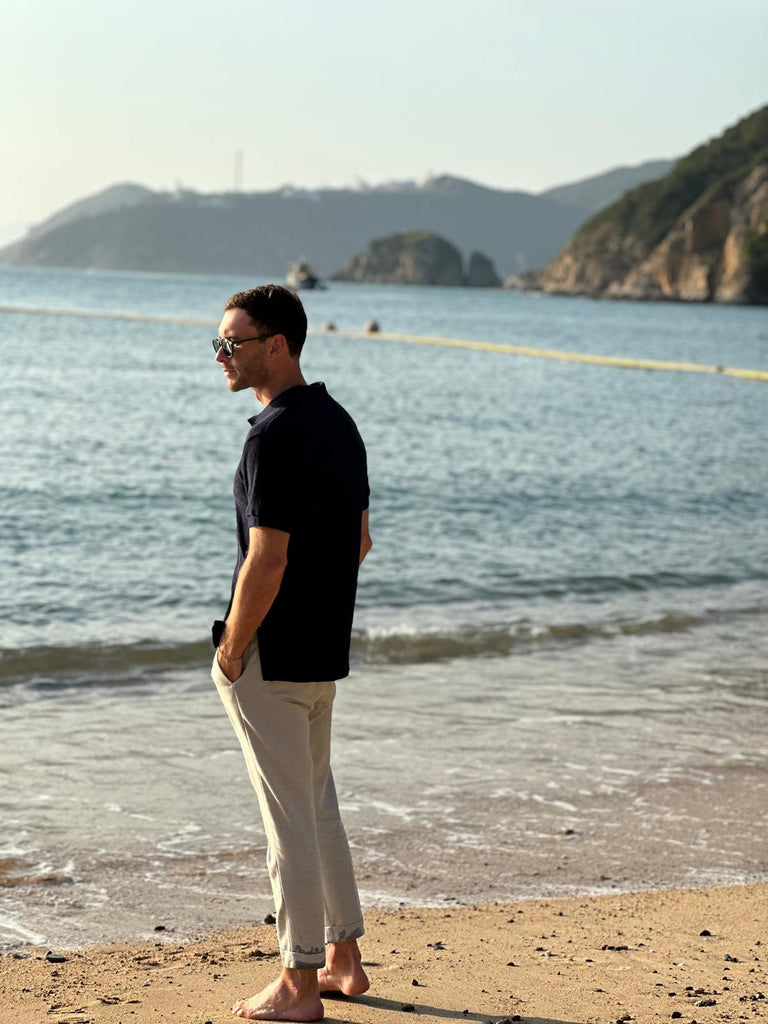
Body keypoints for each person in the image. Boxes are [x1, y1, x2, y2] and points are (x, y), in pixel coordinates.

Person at [210, 285, 372, 1021]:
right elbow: (360, 542)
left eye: (232, 343)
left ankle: (299, 984)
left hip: (272, 656)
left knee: (289, 822)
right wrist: (320, 609)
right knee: (318, 807)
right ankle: (344, 961)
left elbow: (264, 561)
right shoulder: (341, 425)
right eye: (219, 343)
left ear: (277, 345)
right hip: (322, 649)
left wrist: (233, 649)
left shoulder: (270, 436)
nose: (222, 356)